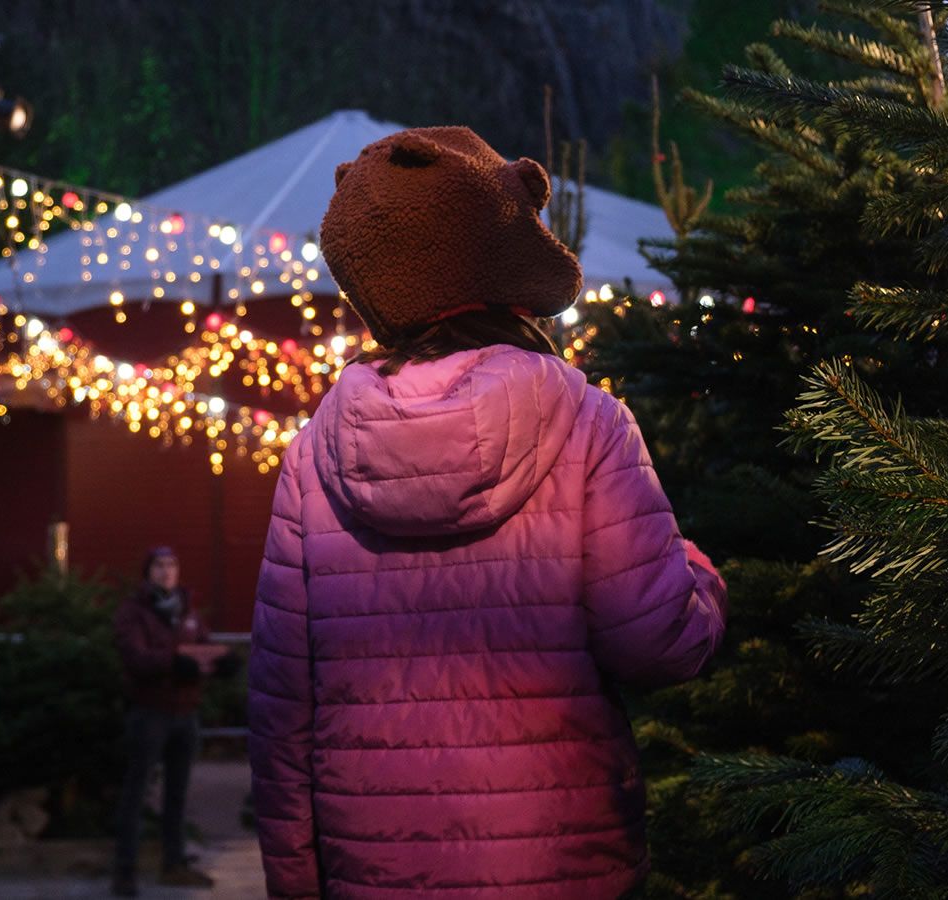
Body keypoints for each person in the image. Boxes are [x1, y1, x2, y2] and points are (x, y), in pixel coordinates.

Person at [249, 127, 729, 899]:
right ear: (509, 275)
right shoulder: (587, 421)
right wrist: (698, 573)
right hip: (560, 868)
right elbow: (657, 643)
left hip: (375, 870)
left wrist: (298, 882)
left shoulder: (314, 455)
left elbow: (281, 709)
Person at [112, 546, 217, 896]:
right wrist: (175, 661)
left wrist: (218, 662)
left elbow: (203, 646)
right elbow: (135, 656)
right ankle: (124, 871)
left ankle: (174, 863)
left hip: (184, 712)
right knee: (136, 791)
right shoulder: (134, 612)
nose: (166, 571)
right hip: (150, 712)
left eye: (172, 565)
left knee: (178, 793)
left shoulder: (187, 611)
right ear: (148, 572)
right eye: (159, 565)